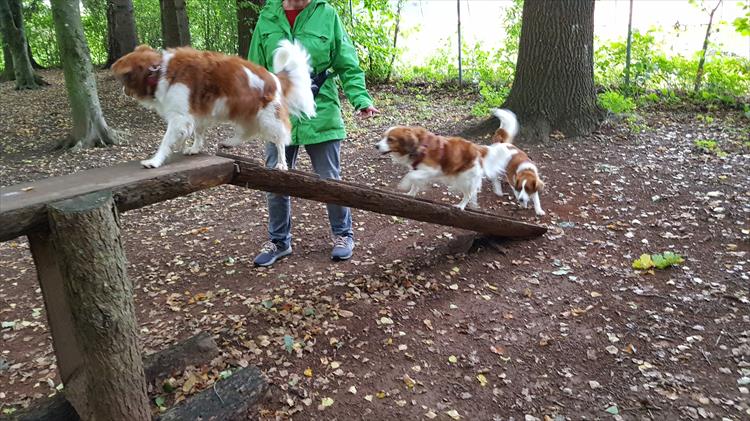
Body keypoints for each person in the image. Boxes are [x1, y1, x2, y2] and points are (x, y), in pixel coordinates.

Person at [248, 0, 379, 267]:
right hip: (278, 110)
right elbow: (254, 69)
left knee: (329, 178)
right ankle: (279, 241)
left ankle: (343, 235)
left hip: (320, 109)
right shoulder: (268, 16)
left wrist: (360, 99)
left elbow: (347, 62)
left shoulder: (326, 14)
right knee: (275, 177)